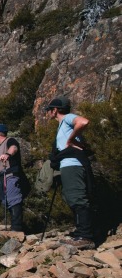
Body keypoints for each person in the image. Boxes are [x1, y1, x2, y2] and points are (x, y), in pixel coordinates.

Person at [46, 96, 95, 249]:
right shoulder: (62, 124)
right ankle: (80, 233)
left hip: (73, 164)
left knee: (77, 198)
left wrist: (71, 140)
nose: (47, 113)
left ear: (55, 110)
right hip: (68, 165)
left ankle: (85, 237)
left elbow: (83, 121)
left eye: (49, 110)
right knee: (72, 197)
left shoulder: (67, 118)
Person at [0, 124, 24, 231]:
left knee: (14, 199)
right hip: (3, 176)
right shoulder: (0, 146)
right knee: (6, 201)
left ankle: (17, 228)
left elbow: (14, 148)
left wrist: (7, 154)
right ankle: (14, 226)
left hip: (10, 175)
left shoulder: (10, 141)